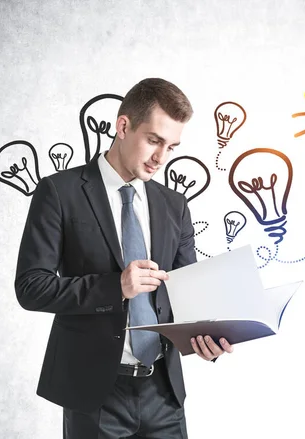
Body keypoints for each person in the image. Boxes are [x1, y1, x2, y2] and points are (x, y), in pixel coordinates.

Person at [15, 78, 233, 438]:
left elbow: (188, 293)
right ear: (123, 126)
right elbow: (30, 287)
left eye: (171, 147)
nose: (161, 158)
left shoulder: (174, 205)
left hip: (164, 394)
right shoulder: (59, 192)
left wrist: (207, 338)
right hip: (95, 394)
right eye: (154, 141)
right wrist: (115, 287)